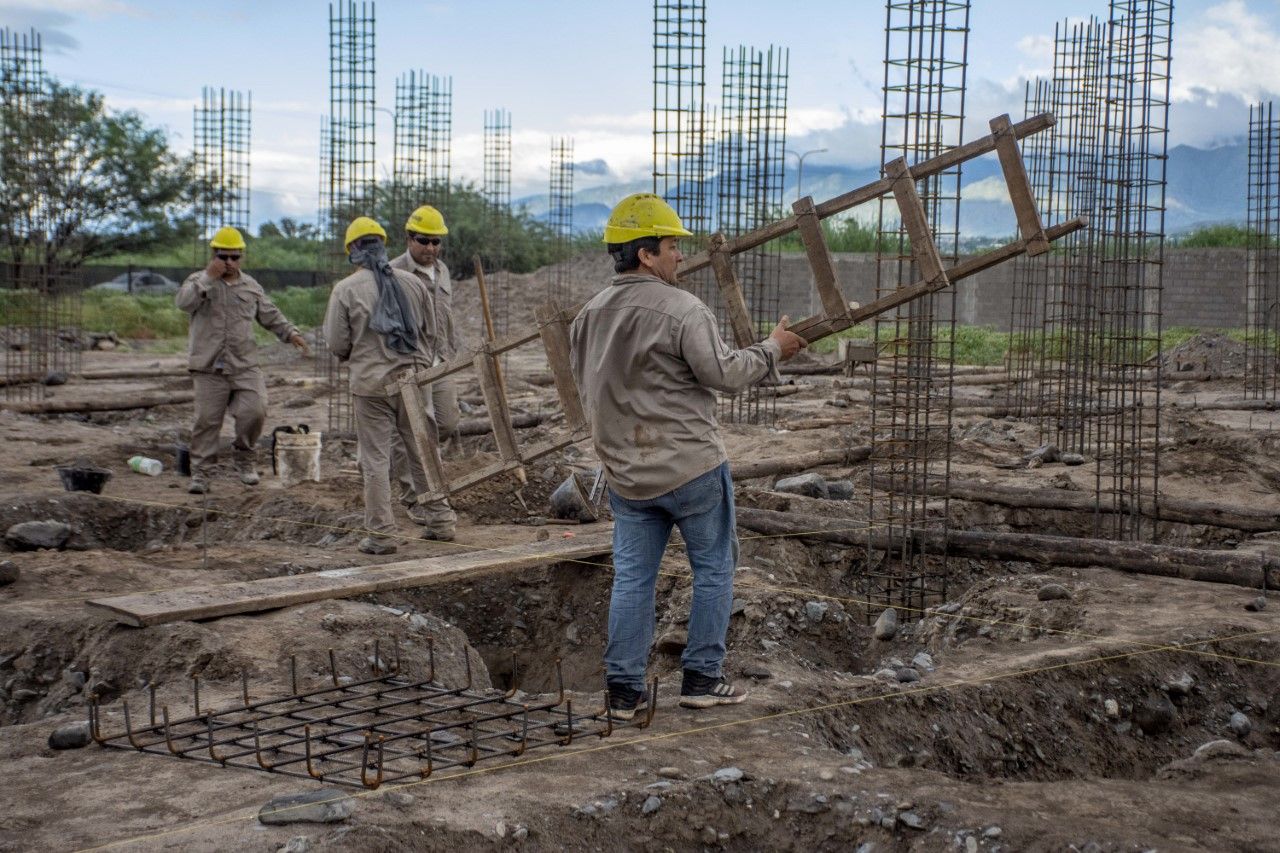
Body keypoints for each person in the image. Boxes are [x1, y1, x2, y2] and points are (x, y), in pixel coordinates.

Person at [568, 193, 807, 719]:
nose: (680, 255)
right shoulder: (682, 309)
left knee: (632, 579)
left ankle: (623, 694)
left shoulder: (588, 316)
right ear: (646, 253)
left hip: (627, 478)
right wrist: (773, 349)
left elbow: (585, 390)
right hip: (692, 470)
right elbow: (723, 375)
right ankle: (701, 679)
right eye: (673, 245)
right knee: (715, 570)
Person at [322, 216, 457, 554]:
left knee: (376, 460)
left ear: (352, 250)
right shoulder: (412, 283)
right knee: (424, 452)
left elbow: (337, 344)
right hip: (413, 381)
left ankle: (381, 535)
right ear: (383, 245)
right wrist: (418, 365)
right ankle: (441, 521)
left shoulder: (345, 290)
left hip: (372, 387)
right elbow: (431, 334)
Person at [175, 226, 309, 495]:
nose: (229, 263)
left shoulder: (250, 286)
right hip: (209, 366)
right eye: (224, 257)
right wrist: (206, 279)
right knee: (207, 422)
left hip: (244, 364)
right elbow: (183, 303)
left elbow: (269, 313)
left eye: (235, 257)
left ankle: (244, 460)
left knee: (255, 410)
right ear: (214, 256)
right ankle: (201, 473)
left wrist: (290, 332)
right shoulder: (197, 281)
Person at [389, 204, 464, 527]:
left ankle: (430, 483)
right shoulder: (393, 273)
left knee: (445, 422)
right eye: (424, 241)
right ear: (408, 239)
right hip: (410, 363)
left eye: (436, 242)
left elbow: (447, 316)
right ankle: (415, 496)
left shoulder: (443, 271)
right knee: (415, 431)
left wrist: (454, 352)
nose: (431, 248)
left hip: (439, 359)